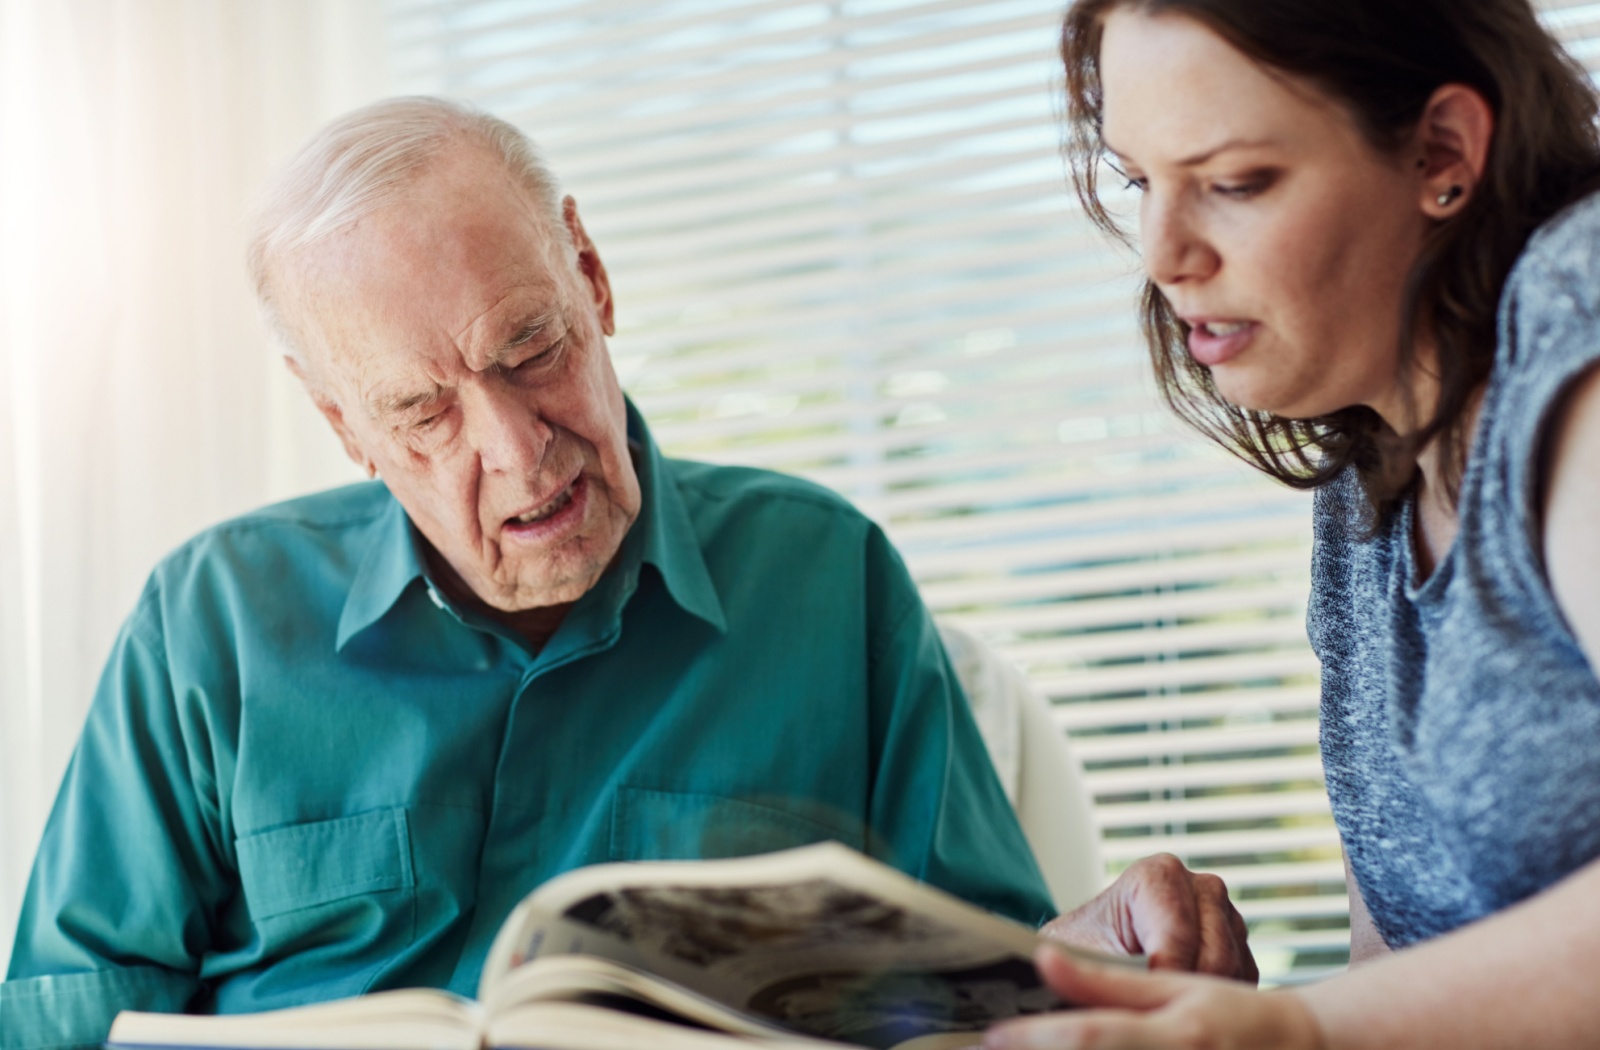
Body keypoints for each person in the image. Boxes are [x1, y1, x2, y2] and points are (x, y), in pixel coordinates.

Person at [0, 97, 1252, 1049]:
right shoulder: (207, 620)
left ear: (591, 280)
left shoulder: (826, 576)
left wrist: (1110, 954)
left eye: (532, 348)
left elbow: (986, 998)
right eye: (422, 413)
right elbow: (66, 1019)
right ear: (343, 424)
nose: (514, 450)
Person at [984, 1, 1600, 1048]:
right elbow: (1401, 977)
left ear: (1441, 153)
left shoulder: (1573, 309)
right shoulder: (1363, 482)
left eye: (1231, 184)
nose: (1163, 253)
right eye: (1140, 182)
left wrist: (1290, 1033)